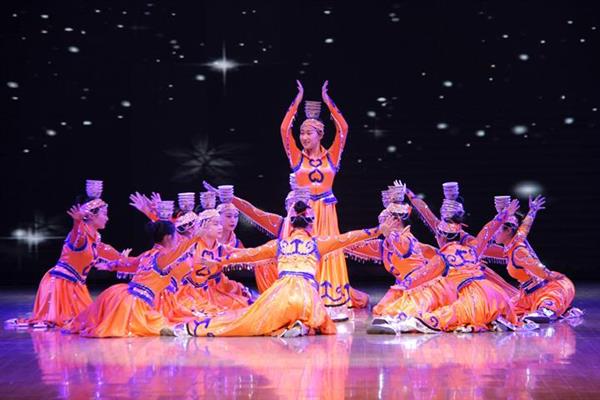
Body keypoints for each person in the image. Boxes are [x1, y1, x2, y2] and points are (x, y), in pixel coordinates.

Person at [167, 201, 388, 337]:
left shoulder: (278, 245)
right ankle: (301, 326)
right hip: (306, 296)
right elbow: (348, 238)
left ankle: (193, 329)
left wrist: (219, 262)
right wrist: (378, 230)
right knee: (318, 318)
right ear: (310, 224)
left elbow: (247, 255)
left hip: (280, 294)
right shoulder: (317, 243)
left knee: (250, 319)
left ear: (291, 224)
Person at [7, 180, 136, 329]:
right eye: (105, 214)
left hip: (77, 288)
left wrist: (123, 259)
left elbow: (115, 256)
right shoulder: (80, 236)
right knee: (76, 323)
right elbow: (77, 235)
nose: (107, 218)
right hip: (59, 286)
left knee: (91, 321)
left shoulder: (96, 240)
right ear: (92, 216)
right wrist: (77, 222)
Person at [66, 201, 201, 337]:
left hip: (123, 295)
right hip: (136, 303)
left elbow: (130, 264)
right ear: (168, 237)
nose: (179, 240)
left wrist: (111, 265)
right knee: (156, 325)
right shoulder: (163, 257)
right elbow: (179, 251)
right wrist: (197, 236)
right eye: (176, 236)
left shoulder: (148, 254)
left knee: (160, 322)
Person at [492, 195, 583, 322]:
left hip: (548, 289)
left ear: (507, 231)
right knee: (500, 312)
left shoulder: (518, 251)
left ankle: (554, 308)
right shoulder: (513, 243)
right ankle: (563, 310)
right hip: (527, 295)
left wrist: (557, 279)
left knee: (546, 308)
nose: (493, 233)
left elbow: (542, 273)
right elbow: (525, 227)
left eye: (497, 230)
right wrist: (532, 211)